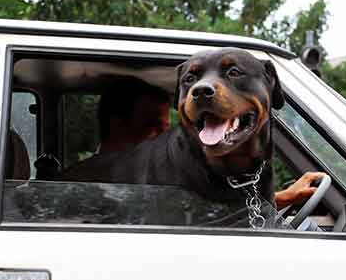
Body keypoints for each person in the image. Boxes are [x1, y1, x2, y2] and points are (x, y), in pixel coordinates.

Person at [94, 77, 324, 209]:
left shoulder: (154, 181)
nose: (164, 137)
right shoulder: (97, 187)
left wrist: (283, 197)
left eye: (166, 127)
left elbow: (213, 211)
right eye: (153, 125)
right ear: (117, 124)